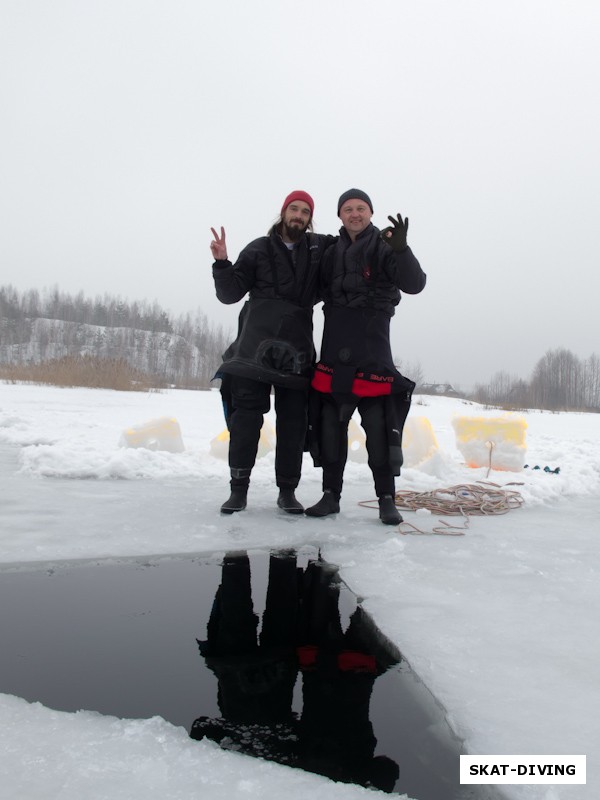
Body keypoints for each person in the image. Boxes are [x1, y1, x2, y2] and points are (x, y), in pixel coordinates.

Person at [305, 189, 426, 525]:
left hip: (373, 351)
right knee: (330, 429)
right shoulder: (330, 251)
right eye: (347, 209)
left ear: (370, 213)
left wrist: (402, 250)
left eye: (360, 208)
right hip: (335, 350)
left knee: (379, 429)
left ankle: (387, 498)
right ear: (340, 215)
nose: (354, 214)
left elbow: (415, 284)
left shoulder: (385, 245)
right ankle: (330, 496)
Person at [210, 191, 334, 514]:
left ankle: (287, 492)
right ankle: (238, 490)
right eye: (294, 208)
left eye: (305, 211)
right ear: (283, 212)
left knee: (294, 423)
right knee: (246, 420)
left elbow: (352, 242)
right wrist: (222, 263)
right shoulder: (259, 249)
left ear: (310, 219)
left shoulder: (320, 250)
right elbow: (230, 294)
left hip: (297, 351)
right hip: (254, 349)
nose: (299, 215)